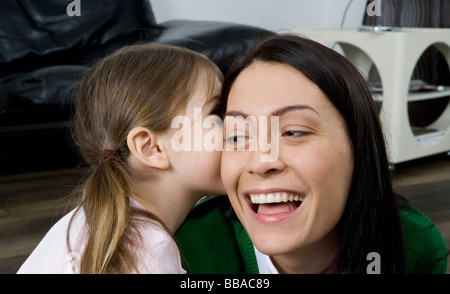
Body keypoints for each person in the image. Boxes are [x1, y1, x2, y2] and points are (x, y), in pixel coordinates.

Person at [175, 34, 449, 274]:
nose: (261, 162)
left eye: (294, 132)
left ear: (358, 146)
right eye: (236, 136)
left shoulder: (414, 245)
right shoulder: (187, 249)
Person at [17, 43, 225, 273]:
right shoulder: (148, 251)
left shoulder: (79, 223)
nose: (237, 125)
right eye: (216, 112)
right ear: (151, 148)